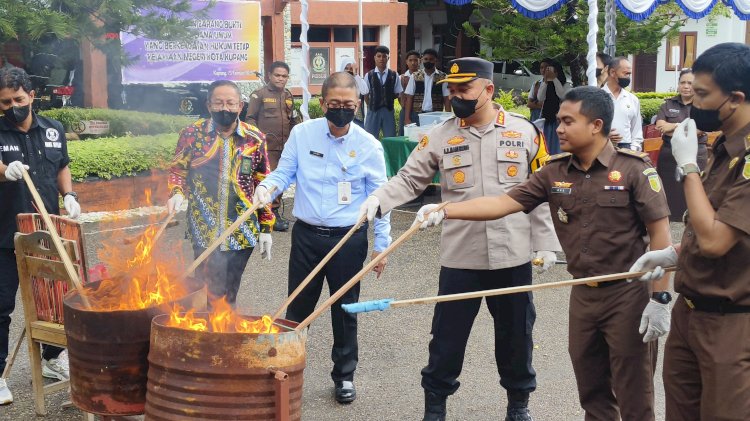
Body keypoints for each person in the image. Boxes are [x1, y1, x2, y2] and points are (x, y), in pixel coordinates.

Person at [415, 86, 673, 421]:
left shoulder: (633, 170)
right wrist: (447, 209)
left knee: (634, 395)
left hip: (627, 296)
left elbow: (662, 240)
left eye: (568, 121)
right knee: (592, 392)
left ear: (595, 125)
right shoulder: (554, 172)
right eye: (559, 121)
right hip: (583, 295)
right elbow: (502, 203)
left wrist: (661, 299)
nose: (559, 129)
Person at [360, 57, 561, 421]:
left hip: (512, 256)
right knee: (446, 341)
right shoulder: (440, 134)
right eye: (451, 90)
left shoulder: (524, 132)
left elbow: (540, 193)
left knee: (517, 337)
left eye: (463, 89)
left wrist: (545, 243)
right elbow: (409, 179)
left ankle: (518, 405)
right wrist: (379, 199)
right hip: (461, 256)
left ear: (488, 89)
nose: (455, 97)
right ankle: (435, 406)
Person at [254, 72, 392, 404]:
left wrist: (381, 246)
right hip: (307, 238)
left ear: (357, 105)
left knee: (345, 310)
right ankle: (284, 369)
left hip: (348, 240)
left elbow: (382, 198)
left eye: (348, 104)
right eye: (335, 104)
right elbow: (284, 172)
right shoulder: (303, 134)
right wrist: (266, 188)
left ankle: (344, 376)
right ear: (322, 103)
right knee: (297, 308)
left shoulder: (368, 145)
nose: (341, 110)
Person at [630, 42, 750, 421]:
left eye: (702, 94)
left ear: (735, 98)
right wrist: (676, 254)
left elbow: (716, 241)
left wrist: (688, 167)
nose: (691, 102)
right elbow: (716, 227)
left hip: (732, 321)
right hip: (690, 312)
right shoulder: (724, 147)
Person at [0, 67, 81, 404]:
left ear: (32, 96)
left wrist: (70, 196)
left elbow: (62, 164)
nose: (12, 106)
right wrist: (6, 171)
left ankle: (52, 358)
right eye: (5, 102)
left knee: (53, 297)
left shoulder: (53, 129)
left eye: (18, 99)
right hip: (5, 234)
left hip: (46, 231)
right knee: (1, 304)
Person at [167, 79, 275, 306]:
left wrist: (266, 226)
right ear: (208, 106)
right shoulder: (192, 135)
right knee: (208, 291)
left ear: (240, 106)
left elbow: (263, 181)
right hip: (204, 228)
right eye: (218, 103)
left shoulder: (254, 138)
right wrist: (177, 192)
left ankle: (225, 332)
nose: (224, 108)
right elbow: (178, 170)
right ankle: (210, 333)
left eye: (230, 103)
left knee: (230, 292)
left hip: (242, 229)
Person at [246, 61, 296, 232]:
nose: (281, 79)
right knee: (265, 180)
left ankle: (273, 212)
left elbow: (293, 119)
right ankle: (261, 214)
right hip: (266, 148)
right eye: (277, 75)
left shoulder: (288, 95)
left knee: (281, 181)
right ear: (269, 75)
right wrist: (257, 139)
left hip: (285, 146)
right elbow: (250, 119)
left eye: (284, 76)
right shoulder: (259, 95)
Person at [654, 68, 708, 221]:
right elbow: (660, 126)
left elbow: (699, 130)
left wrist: (672, 126)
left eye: (690, 83)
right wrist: (684, 127)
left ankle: (692, 218)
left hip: (696, 154)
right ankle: (669, 218)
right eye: (682, 82)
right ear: (678, 85)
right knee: (668, 188)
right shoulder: (668, 104)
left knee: (694, 185)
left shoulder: (702, 106)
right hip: (668, 154)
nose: (686, 86)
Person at [403, 48, 451, 128]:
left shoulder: (443, 77)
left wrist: (448, 118)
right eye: (426, 59)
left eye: (431, 59)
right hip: (417, 114)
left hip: (435, 115)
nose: (428, 61)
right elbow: (409, 98)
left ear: (436, 60)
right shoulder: (415, 76)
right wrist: (407, 118)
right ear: (422, 60)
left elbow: (446, 99)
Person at [603, 57, 643, 151]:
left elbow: (636, 131)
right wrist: (603, 135)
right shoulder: (597, 97)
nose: (628, 77)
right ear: (613, 72)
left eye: (629, 74)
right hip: (602, 148)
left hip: (626, 149)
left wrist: (633, 149)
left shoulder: (632, 99)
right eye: (625, 74)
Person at [364, 45, 402, 138]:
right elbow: (366, 94)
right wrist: (371, 105)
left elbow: (398, 93)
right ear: (374, 57)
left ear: (388, 58)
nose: (381, 59)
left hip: (388, 110)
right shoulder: (368, 75)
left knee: (390, 138)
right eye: (379, 56)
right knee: (370, 138)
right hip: (373, 110)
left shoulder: (394, 75)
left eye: (384, 56)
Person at [537, 60, 571, 154]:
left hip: (560, 121)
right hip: (547, 119)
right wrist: (546, 81)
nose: (550, 73)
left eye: (553, 71)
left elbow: (562, 95)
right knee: (546, 144)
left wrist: (555, 80)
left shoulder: (566, 85)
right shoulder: (546, 84)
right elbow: (540, 97)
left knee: (557, 147)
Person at [399, 50, 421, 135]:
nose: (413, 63)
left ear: (420, 61)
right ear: (406, 62)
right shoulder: (401, 77)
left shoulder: (423, 77)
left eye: (415, 60)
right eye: (410, 60)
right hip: (405, 110)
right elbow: (399, 95)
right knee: (403, 133)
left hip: (419, 110)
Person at [340, 60, 368, 128]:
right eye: (346, 68)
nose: (348, 70)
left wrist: (355, 74)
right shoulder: (338, 81)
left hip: (357, 117)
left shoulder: (357, 79)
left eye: (351, 69)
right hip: (342, 115)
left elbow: (365, 91)